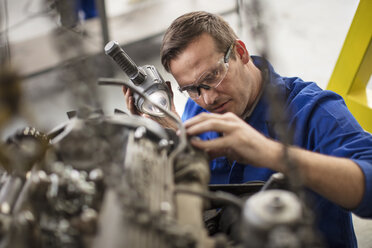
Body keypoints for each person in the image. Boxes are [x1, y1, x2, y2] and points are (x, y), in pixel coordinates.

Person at [123, 11, 372, 247]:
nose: (208, 99)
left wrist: (272, 153)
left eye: (212, 77)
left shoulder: (315, 111)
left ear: (240, 53)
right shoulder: (198, 110)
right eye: (191, 89)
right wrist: (173, 129)